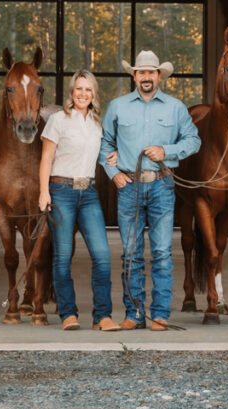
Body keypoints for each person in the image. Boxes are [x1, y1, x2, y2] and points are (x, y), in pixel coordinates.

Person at [99, 50, 201, 331]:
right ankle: (133, 314)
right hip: (128, 186)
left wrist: (166, 150)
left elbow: (194, 141)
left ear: (159, 76)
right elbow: (104, 144)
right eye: (141, 72)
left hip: (162, 185)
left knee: (162, 252)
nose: (146, 77)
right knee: (130, 254)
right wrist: (113, 174)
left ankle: (159, 314)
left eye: (151, 72)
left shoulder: (175, 107)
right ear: (134, 75)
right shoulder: (118, 107)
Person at [38, 70, 121, 332]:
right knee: (62, 257)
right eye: (78, 89)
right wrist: (43, 192)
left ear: (94, 93)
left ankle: (103, 316)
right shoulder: (58, 121)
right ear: (71, 92)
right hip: (61, 190)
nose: (83, 94)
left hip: (89, 193)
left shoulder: (97, 124)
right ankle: (68, 314)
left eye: (88, 89)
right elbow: (46, 159)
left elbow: (102, 152)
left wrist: (114, 155)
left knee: (102, 255)